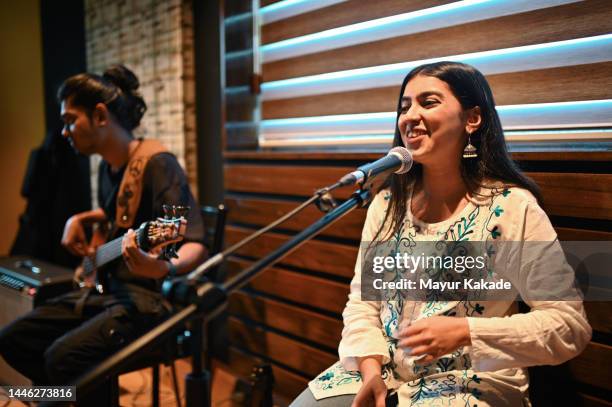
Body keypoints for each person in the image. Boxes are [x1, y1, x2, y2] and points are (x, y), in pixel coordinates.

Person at [291, 61, 591, 406]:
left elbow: (569, 326)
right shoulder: (387, 202)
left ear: (472, 118)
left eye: (428, 102)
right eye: (405, 106)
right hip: (383, 370)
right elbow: (363, 304)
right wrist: (370, 367)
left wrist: (466, 332)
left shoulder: (512, 207)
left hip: (470, 380)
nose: (409, 116)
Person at [0, 65, 207, 405]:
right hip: (107, 291)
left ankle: (61, 397)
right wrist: (82, 218)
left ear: (99, 115)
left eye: (70, 120)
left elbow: (193, 239)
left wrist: (164, 268)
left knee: (62, 358)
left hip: (149, 301)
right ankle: (56, 398)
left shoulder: (159, 164)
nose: (64, 131)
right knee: (12, 339)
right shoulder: (107, 169)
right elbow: (119, 218)